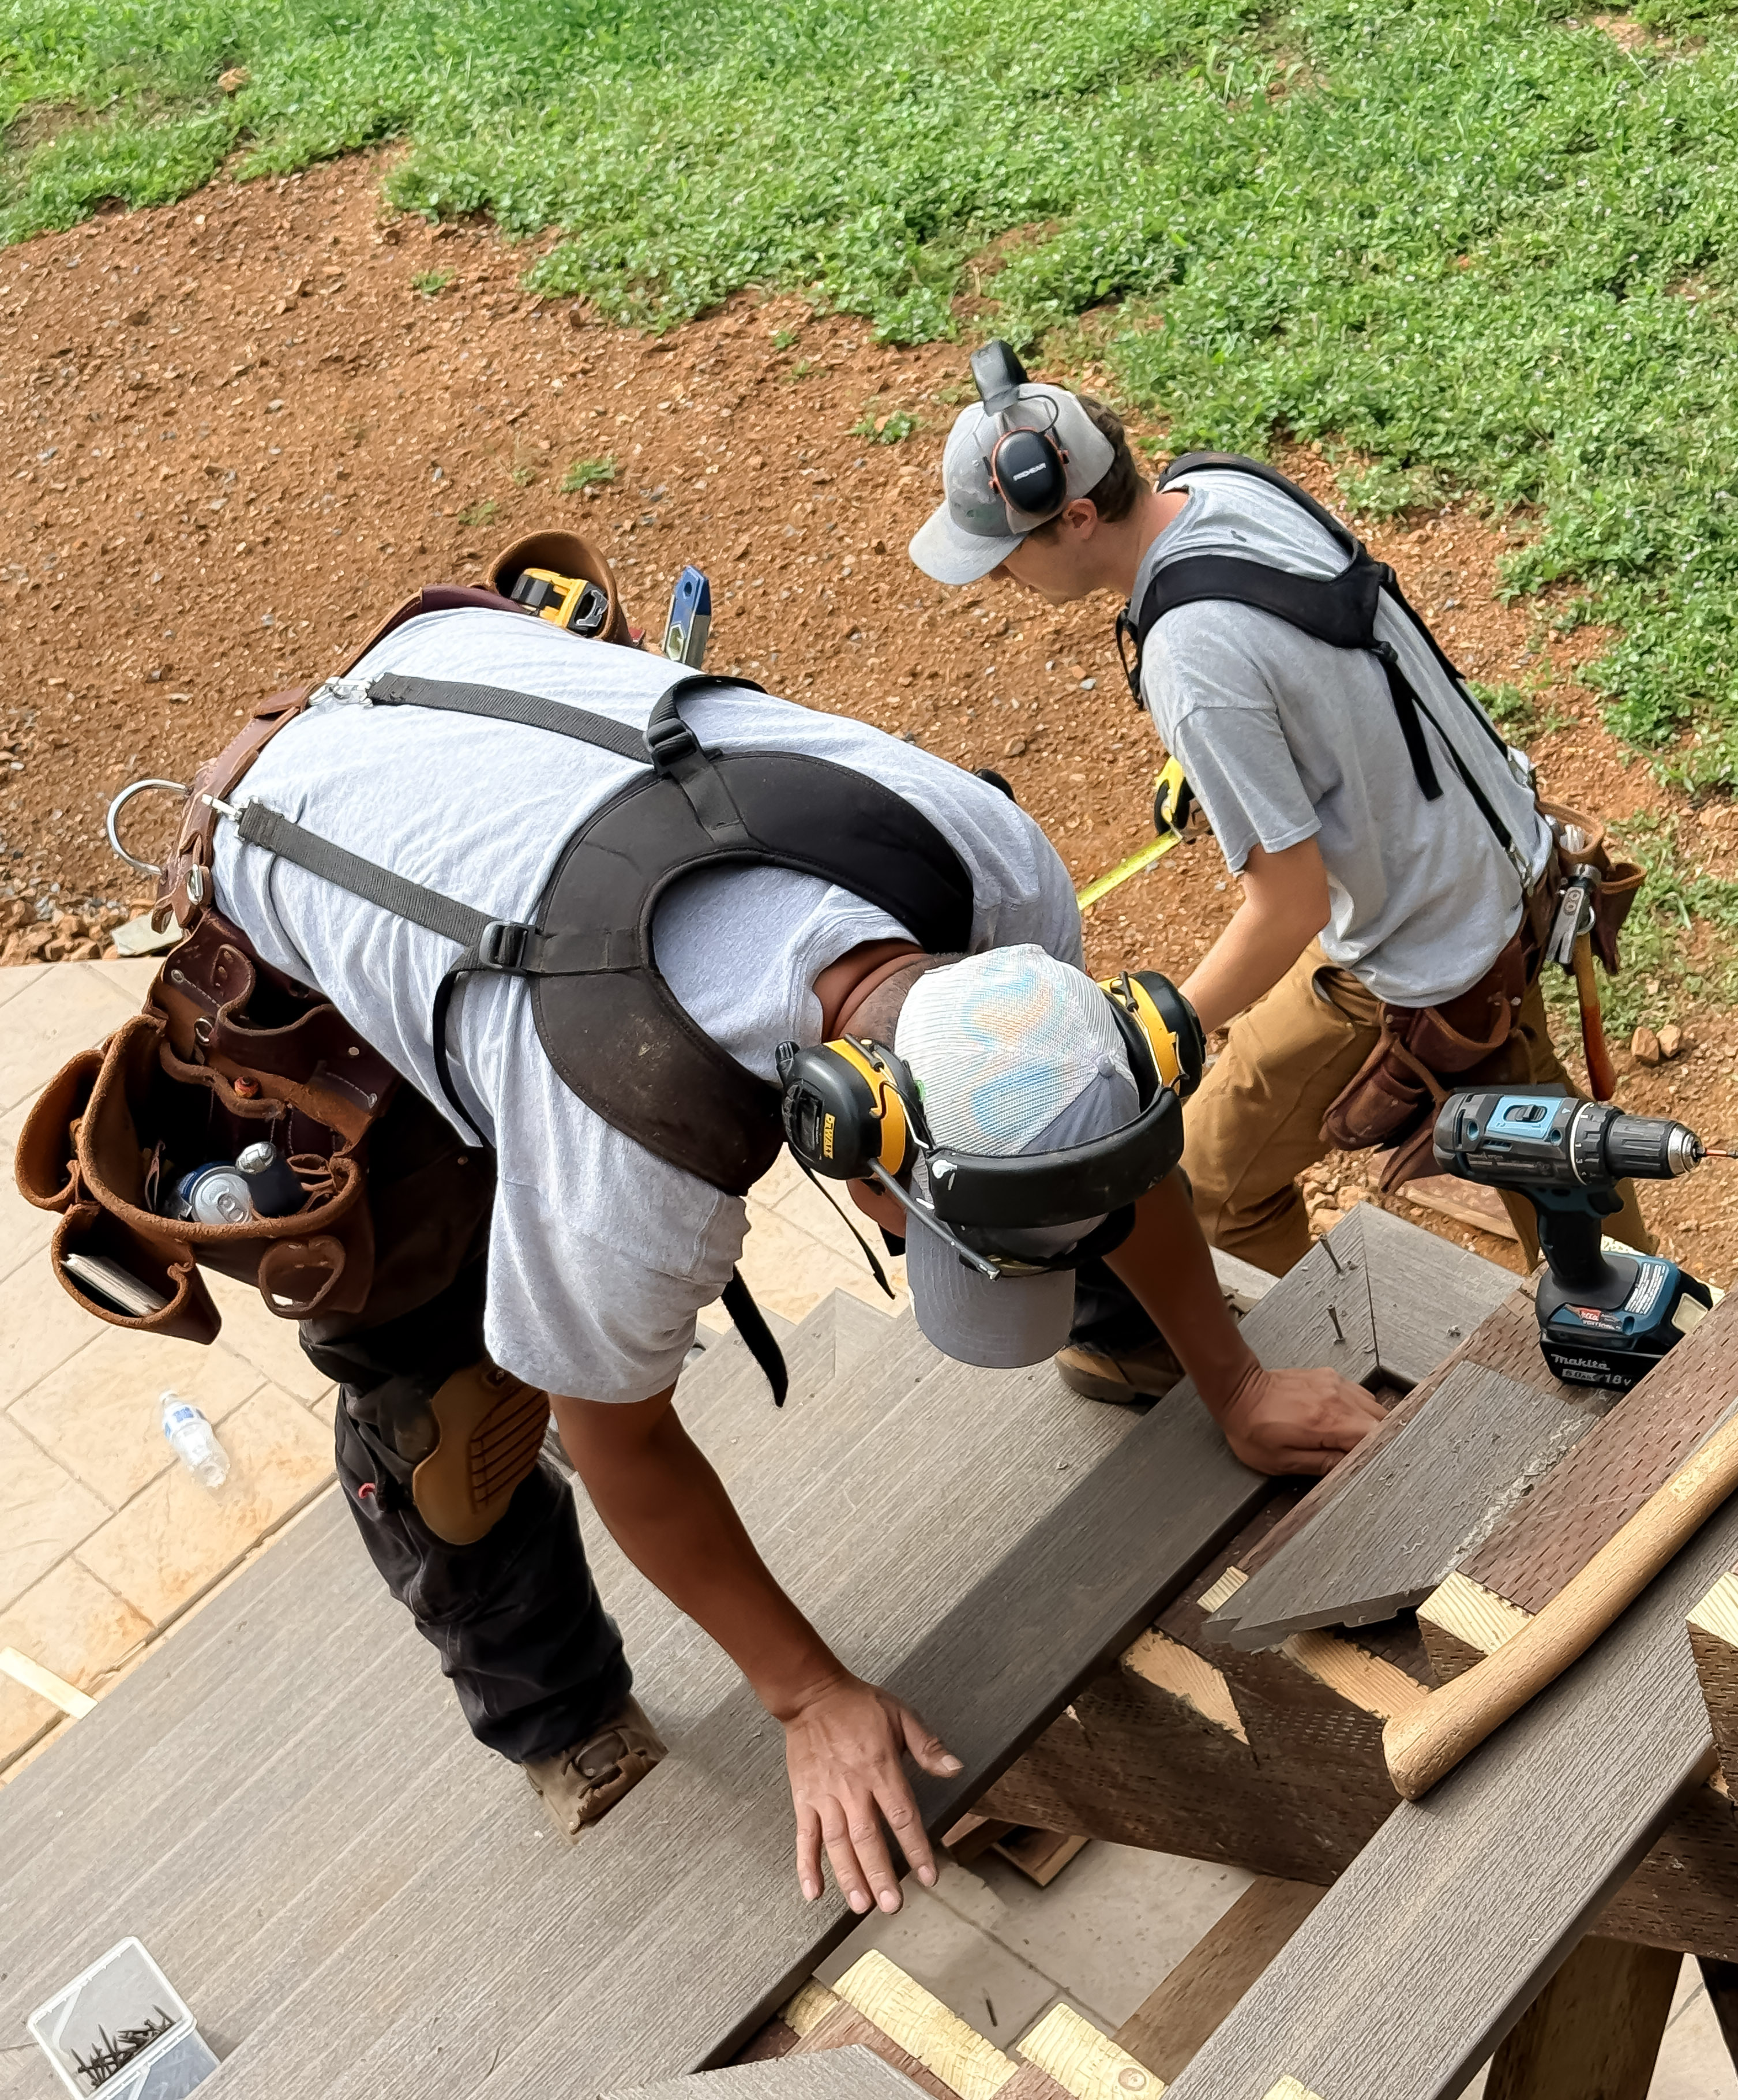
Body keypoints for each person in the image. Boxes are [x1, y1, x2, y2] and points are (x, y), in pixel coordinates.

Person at [196, 596, 1382, 1912]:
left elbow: (1086, 1110)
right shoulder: (623, 1159)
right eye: (932, 1243)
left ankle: (1129, 1343)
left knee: (1047, 1135)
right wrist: (807, 1694)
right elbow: (618, 1440)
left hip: (498, 734)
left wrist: (1234, 1380)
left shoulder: (990, 869)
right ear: (851, 1147)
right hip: (298, 835)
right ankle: (553, 1710)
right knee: (447, 1409)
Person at [908, 350, 1649, 1400]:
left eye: (1004, 555)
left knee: (1207, 1190)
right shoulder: (1223, 485)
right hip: (1507, 867)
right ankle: (1669, 1347)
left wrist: (1149, 1038)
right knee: (1555, 1166)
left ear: (1073, 518)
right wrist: (1226, 764)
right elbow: (1321, 662)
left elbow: (1289, 905)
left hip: (1423, 960)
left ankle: (1346, 1384)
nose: (997, 579)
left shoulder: (1189, 658)